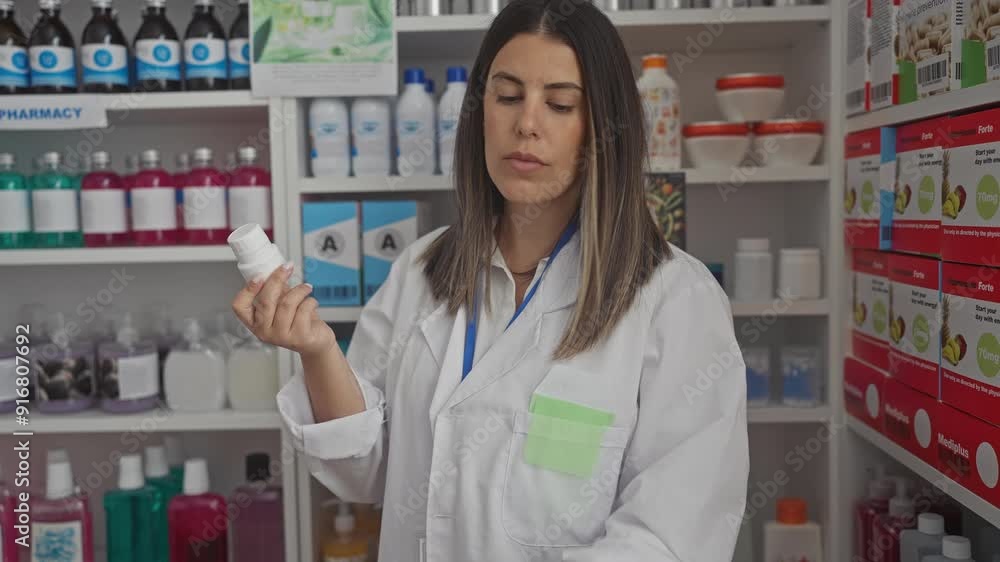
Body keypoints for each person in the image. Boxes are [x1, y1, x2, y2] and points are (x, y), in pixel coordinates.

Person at [232, 0, 749, 559]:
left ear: (604, 129)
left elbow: (672, 537)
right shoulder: (423, 270)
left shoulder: (675, 299)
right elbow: (365, 474)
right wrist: (317, 351)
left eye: (559, 104)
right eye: (506, 97)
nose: (526, 123)